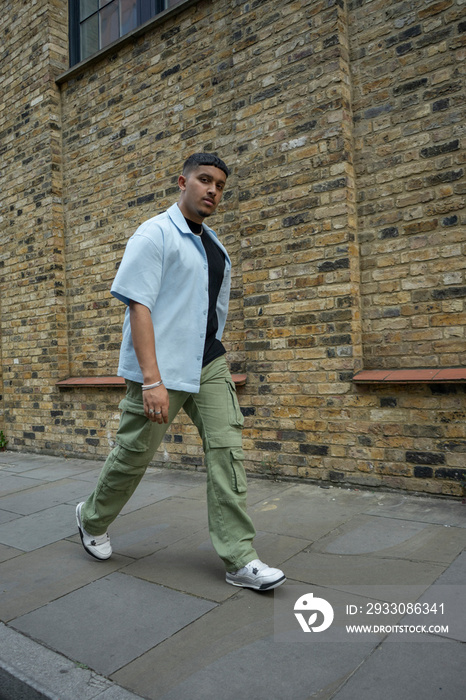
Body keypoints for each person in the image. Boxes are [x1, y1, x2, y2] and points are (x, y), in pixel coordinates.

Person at [76, 153, 286, 591]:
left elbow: (210, 312)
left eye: (220, 186)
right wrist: (151, 380)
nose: (212, 190)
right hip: (162, 370)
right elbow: (139, 305)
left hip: (208, 362)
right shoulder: (154, 234)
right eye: (204, 180)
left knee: (227, 453)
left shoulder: (216, 247)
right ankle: (91, 517)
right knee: (135, 454)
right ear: (183, 182)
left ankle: (239, 557)